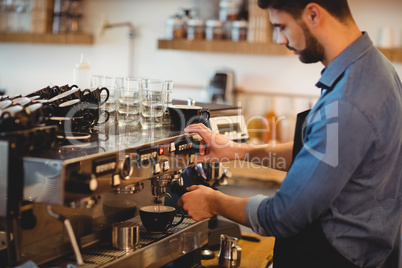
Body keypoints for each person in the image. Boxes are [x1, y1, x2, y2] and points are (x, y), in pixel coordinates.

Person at [177, 0, 402, 267]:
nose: (281, 39)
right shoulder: (376, 69)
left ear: (313, 14)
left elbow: (282, 216)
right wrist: (240, 151)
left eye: (282, 26)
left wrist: (215, 202)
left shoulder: (348, 101)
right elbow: (320, 155)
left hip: (331, 258)